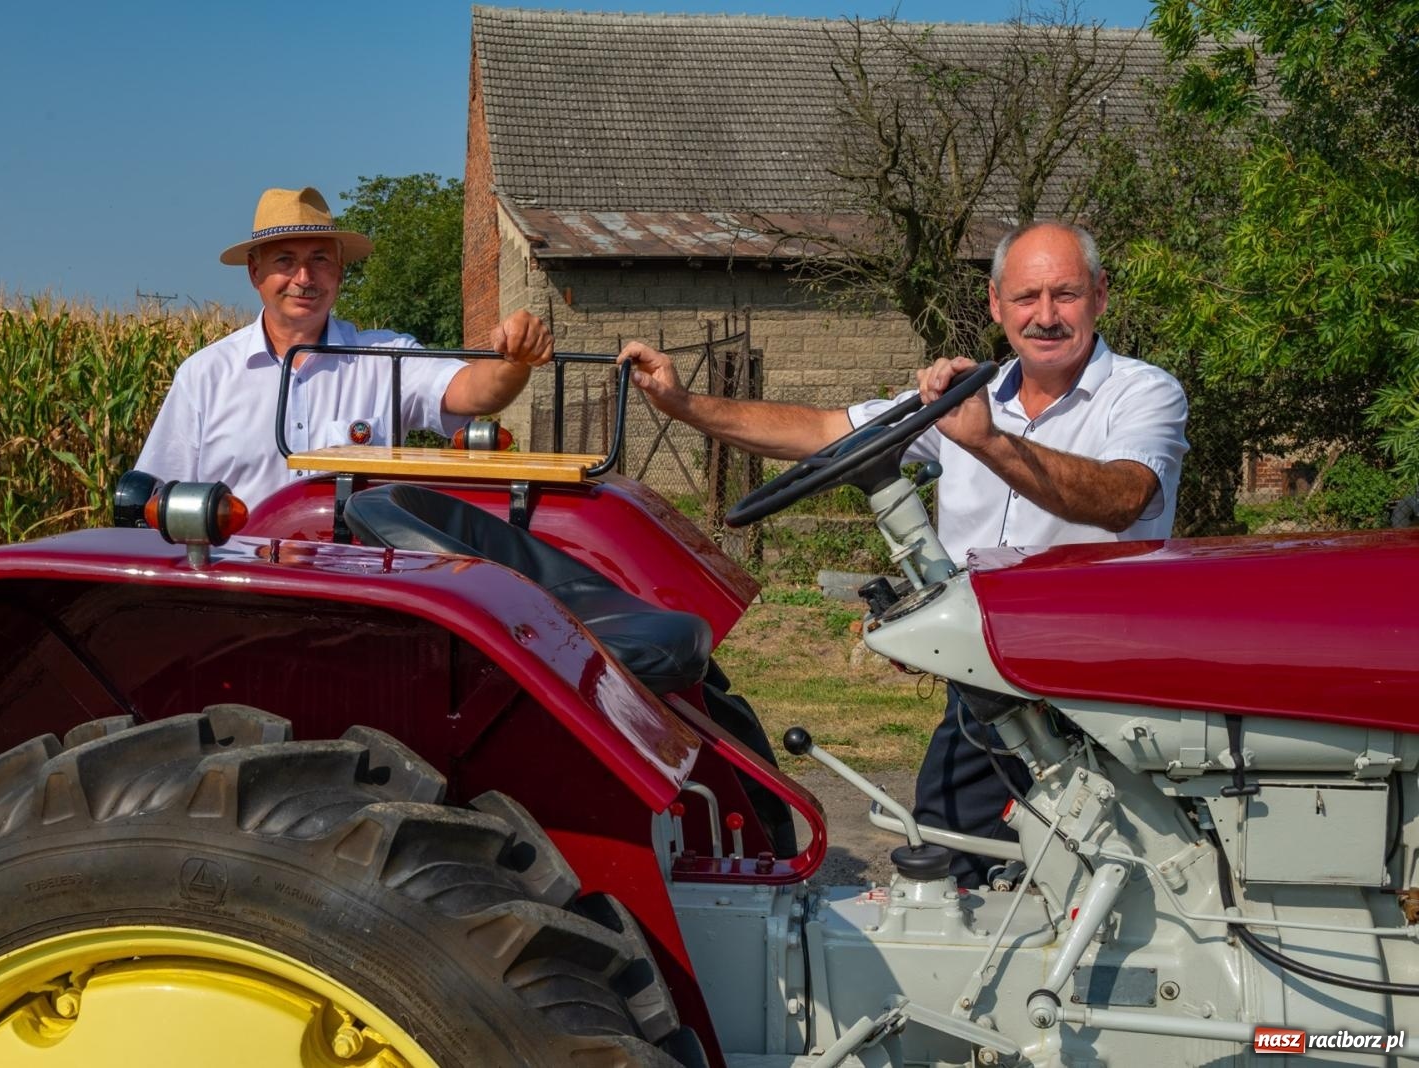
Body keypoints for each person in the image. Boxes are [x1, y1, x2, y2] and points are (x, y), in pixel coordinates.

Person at [618, 221, 1189, 886]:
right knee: (947, 862)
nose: (1046, 316)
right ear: (995, 304)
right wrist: (685, 405)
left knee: (1111, 866)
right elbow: (826, 431)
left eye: (1065, 295)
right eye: (1026, 297)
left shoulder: (1143, 393)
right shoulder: (967, 400)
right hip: (985, 688)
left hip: (1097, 684)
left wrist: (989, 444)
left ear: (1100, 297)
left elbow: (1122, 497)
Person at [137, 186, 553, 504]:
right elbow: (158, 494)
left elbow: (473, 392)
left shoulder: (385, 358)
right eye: (284, 260)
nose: (304, 277)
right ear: (255, 272)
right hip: (243, 590)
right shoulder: (205, 375)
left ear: (339, 272)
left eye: (319, 259)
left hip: (356, 591)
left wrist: (514, 358)